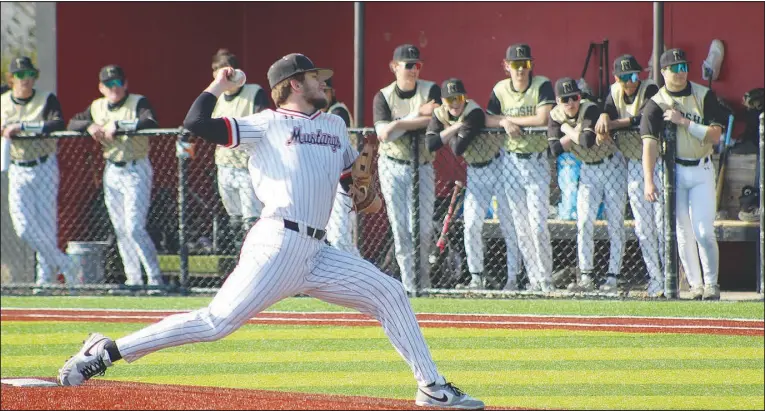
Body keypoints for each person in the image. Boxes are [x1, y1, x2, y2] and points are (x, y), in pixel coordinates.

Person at [56, 53, 484, 410]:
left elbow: (354, 187)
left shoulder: (335, 126)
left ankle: (431, 387)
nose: (322, 82)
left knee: (389, 292)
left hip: (318, 253)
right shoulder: (266, 122)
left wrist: (361, 186)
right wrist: (218, 87)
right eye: (315, 76)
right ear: (295, 84)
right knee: (214, 323)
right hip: (278, 243)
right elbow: (195, 124)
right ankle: (106, 351)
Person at [640, 48, 729, 300]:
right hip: (675, 172)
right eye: (675, 68)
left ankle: (711, 284)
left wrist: (684, 122)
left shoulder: (703, 94)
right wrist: (648, 179)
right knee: (683, 233)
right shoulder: (656, 103)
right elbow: (649, 143)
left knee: (703, 231)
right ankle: (695, 285)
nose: (681, 73)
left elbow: (715, 135)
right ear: (663, 71)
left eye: (684, 67)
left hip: (701, 167)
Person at [67, 65, 164, 291]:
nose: (115, 88)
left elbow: (150, 121)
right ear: (101, 87)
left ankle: (156, 279)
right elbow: (72, 122)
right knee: (120, 228)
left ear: (125, 84)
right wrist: (90, 125)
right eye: (109, 84)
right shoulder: (97, 106)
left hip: (136, 167)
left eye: (118, 83)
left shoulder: (138, 102)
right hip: (112, 169)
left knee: (134, 227)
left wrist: (118, 125)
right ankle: (134, 279)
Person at [425, 78, 514, 290]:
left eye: (459, 98)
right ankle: (476, 277)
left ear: (465, 98)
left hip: (499, 167)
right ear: (443, 101)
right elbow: (430, 144)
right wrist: (455, 126)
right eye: (450, 99)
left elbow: (456, 147)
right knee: (472, 224)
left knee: (508, 225)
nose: (456, 103)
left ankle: (513, 278)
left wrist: (448, 131)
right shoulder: (440, 114)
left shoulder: (473, 112)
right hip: (475, 171)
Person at [1, 56, 79, 292]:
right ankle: (65, 263)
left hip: (44, 165)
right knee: (23, 226)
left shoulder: (46, 99)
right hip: (18, 167)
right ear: (11, 78)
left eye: (29, 75)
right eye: (21, 75)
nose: (26, 80)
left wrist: (23, 127)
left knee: (46, 226)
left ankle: (44, 280)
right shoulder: (3, 100)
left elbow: (57, 124)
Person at [548, 77, 628, 293]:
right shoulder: (555, 115)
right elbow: (553, 150)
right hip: (588, 170)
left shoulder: (590, 109)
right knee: (583, 222)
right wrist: (568, 129)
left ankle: (614, 276)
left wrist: (565, 128)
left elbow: (586, 141)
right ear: (558, 100)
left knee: (615, 222)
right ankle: (586, 276)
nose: (571, 103)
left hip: (611, 165)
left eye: (574, 97)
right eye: (565, 100)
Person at [487, 43, 556, 292]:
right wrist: (504, 122)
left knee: (538, 226)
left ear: (531, 65)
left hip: (536, 160)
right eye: (515, 64)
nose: (520, 69)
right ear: (506, 66)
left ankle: (546, 280)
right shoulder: (500, 88)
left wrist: (509, 120)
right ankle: (534, 280)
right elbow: (487, 117)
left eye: (524, 64)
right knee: (521, 227)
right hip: (512, 162)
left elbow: (543, 118)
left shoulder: (541, 84)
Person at [373, 44, 441, 295]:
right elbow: (383, 134)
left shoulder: (430, 89)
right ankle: (408, 285)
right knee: (401, 229)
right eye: (408, 65)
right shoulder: (383, 95)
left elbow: (433, 119)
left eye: (417, 65)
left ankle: (423, 284)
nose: (414, 70)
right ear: (394, 67)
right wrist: (414, 116)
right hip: (392, 166)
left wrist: (398, 125)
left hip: (423, 165)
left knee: (422, 229)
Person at [595, 54, 664, 297]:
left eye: (634, 75)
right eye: (625, 77)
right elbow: (604, 109)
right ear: (617, 78)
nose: (631, 81)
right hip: (635, 163)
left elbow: (641, 118)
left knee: (662, 225)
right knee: (643, 228)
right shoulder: (614, 91)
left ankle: (670, 277)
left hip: (660, 162)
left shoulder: (651, 87)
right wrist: (604, 116)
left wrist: (611, 124)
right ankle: (656, 278)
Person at [209, 49, 268, 253]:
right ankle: (240, 260)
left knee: (251, 219)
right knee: (234, 218)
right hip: (224, 164)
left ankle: (258, 258)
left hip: (246, 166)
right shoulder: (216, 96)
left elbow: (262, 123)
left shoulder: (253, 92)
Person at [322, 77, 361, 256]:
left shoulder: (338, 112)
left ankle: (363, 276)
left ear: (332, 92)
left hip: (343, 180)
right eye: (319, 89)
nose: (322, 93)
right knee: (332, 237)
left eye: (326, 90)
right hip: (328, 181)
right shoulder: (320, 113)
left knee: (340, 238)